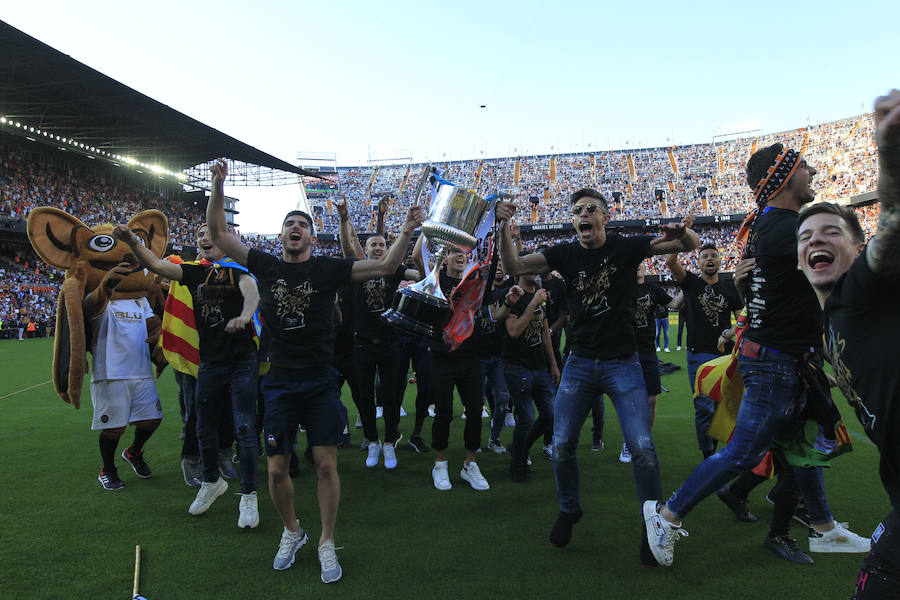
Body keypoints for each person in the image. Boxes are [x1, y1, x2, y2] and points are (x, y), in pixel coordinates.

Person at [644, 142, 867, 568]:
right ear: (783, 176)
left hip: (783, 357)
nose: (815, 169)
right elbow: (850, 268)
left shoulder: (774, 226)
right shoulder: (789, 229)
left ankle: (823, 527)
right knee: (743, 453)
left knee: (802, 448)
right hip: (775, 362)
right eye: (805, 165)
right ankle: (667, 516)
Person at [205, 159, 424, 584]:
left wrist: (405, 232)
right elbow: (218, 234)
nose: (295, 228)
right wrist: (217, 184)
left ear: (311, 235)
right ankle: (293, 532)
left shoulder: (326, 269)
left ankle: (326, 541)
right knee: (275, 469)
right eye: (289, 223)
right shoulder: (265, 265)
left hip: (320, 379)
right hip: (281, 379)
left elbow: (382, 268)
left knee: (326, 465)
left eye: (302, 224)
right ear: (281, 234)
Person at [496, 188, 699, 559]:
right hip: (579, 362)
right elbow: (514, 268)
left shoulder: (626, 247)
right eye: (577, 211)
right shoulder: (564, 253)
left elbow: (689, 244)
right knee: (561, 446)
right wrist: (502, 226)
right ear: (573, 221)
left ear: (605, 217)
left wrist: (680, 232)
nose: (583, 215)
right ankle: (570, 508)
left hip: (623, 362)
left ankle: (653, 525)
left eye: (591, 209)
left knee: (642, 446)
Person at [795, 88, 900, 598]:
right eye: (805, 236)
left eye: (831, 231)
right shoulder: (832, 320)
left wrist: (890, 156)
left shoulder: (860, 287)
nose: (816, 239)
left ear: (859, 248)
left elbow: (894, 227)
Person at [114, 222, 261, 528]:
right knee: (203, 427)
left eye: (211, 233)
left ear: (226, 239)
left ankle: (248, 494)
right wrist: (130, 240)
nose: (204, 238)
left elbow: (252, 294)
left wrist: (245, 317)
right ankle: (211, 482)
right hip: (209, 363)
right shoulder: (195, 272)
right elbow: (154, 264)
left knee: (245, 428)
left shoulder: (239, 270)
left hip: (240, 361)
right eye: (199, 235)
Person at [335, 197, 419, 470]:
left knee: (393, 396)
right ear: (367, 250)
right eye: (373, 244)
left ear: (387, 248)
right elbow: (348, 246)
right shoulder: (359, 270)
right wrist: (344, 218)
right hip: (362, 343)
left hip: (389, 343)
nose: (378, 247)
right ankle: (372, 441)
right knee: (365, 397)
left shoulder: (394, 271)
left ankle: (389, 441)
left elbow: (418, 275)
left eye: (382, 244)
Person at [428, 247, 521, 491]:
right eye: (453, 252)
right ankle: (440, 463)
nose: (461, 256)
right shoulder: (437, 279)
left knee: (475, 411)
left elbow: (493, 312)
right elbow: (419, 258)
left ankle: (470, 464)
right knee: (444, 413)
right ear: (444, 257)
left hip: (471, 357)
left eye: (464, 253)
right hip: (442, 356)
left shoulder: (476, 282)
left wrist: (509, 302)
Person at [666, 243, 742, 458]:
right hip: (698, 354)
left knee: (722, 407)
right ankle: (708, 454)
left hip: (725, 357)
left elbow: (743, 320)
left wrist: (728, 333)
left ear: (720, 261)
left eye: (713, 256)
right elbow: (671, 262)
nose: (709, 259)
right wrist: (680, 238)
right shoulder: (691, 283)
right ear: (698, 263)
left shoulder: (729, 287)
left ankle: (719, 450)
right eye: (704, 256)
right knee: (704, 406)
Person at [504, 259, 560, 482]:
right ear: (520, 270)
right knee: (526, 417)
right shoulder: (512, 295)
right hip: (517, 365)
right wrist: (533, 303)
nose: (536, 268)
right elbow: (514, 331)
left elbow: (544, 329)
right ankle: (516, 464)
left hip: (540, 366)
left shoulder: (540, 292)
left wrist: (553, 363)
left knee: (551, 414)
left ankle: (519, 448)